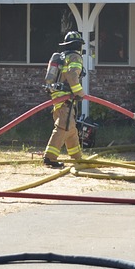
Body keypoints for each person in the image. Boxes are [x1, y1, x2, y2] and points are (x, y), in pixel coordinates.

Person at [42, 30, 86, 168]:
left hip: (57, 98)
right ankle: (50, 158)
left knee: (71, 128)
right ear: (79, 45)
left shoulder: (62, 56)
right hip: (66, 98)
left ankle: (77, 157)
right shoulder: (75, 57)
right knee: (63, 127)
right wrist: (80, 93)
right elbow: (72, 75)